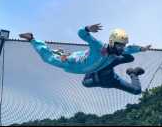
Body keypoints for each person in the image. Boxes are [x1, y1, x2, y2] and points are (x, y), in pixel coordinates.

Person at [19, 23, 151, 95]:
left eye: (123, 46)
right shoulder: (99, 46)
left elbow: (130, 49)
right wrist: (87, 28)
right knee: (49, 59)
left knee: (133, 85)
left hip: (90, 70)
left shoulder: (119, 51)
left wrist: (141, 48)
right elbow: (81, 34)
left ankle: (59, 53)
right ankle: (32, 39)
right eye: (119, 45)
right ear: (111, 42)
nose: (121, 49)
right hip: (74, 62)